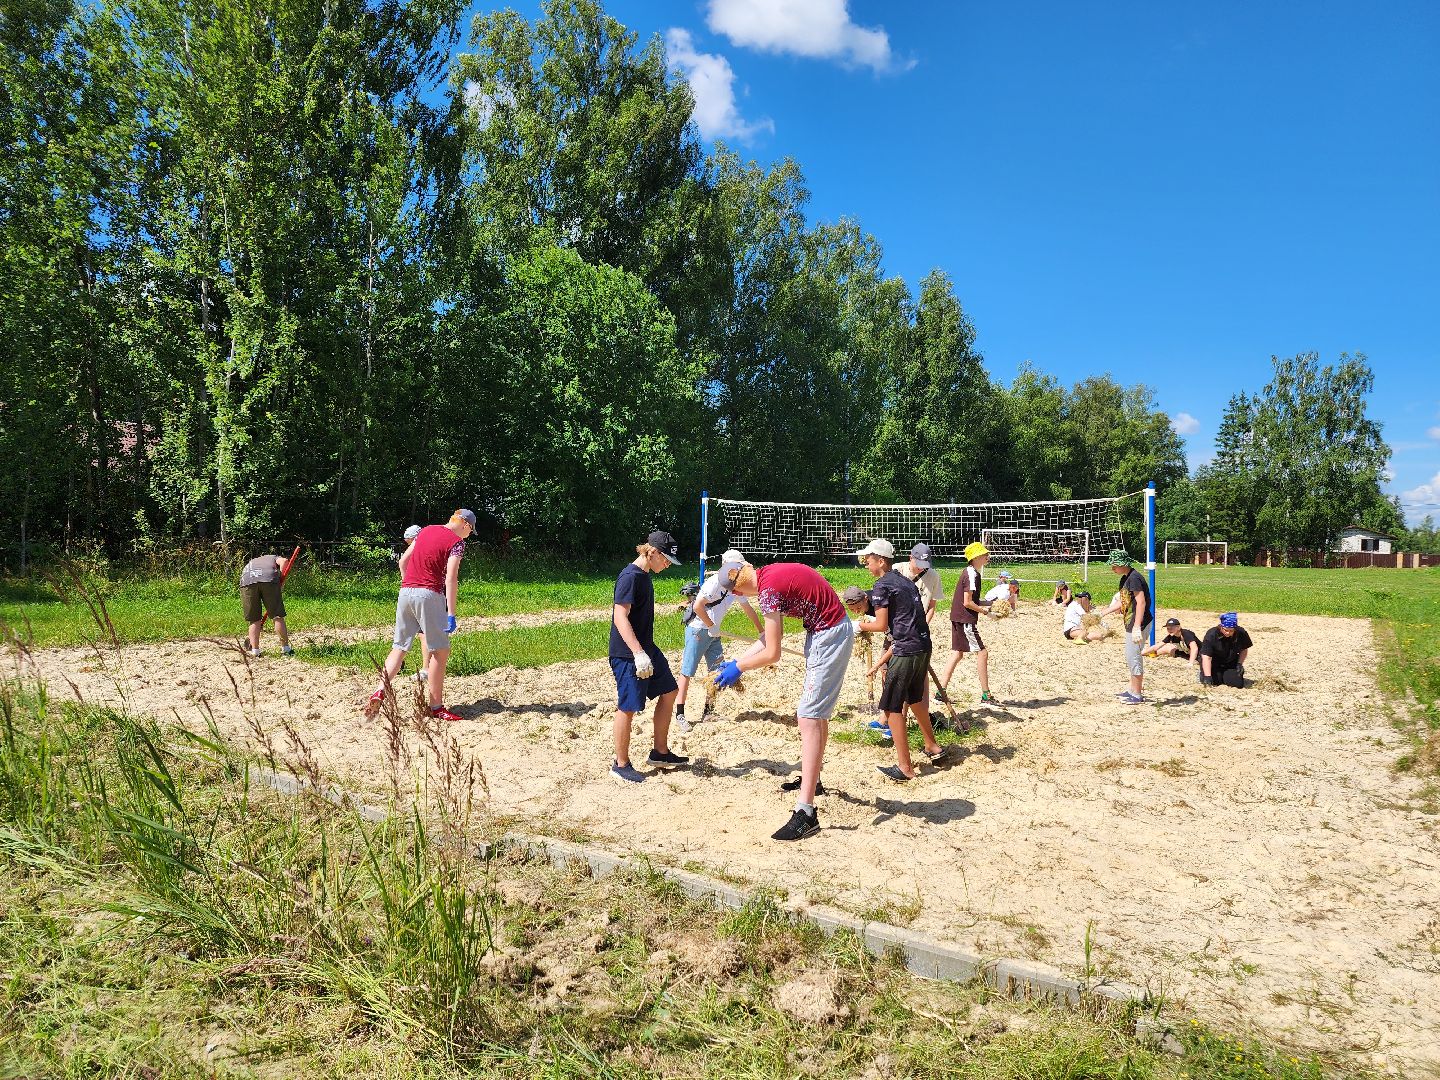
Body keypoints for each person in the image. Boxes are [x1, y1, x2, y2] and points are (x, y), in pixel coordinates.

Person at [713, 559, 854, 841]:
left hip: (829, 635)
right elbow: (767, 639)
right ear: (747, 566)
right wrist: (737, 661)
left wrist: (739, 668)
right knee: (816, 714)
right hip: (825, 631)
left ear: (738, 594)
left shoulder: (767, 592)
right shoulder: (769, 575)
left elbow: (773, 653)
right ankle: (813, 783)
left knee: (809, 716)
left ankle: (806, 813)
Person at [364, 510, 475, 722]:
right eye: (470, 531)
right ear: (465, 525)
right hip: (430, 594)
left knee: (399, 647)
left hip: (406, 592)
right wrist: (451, 613)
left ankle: (379, 690)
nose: (468, 535)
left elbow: (402, 562)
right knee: (440, 651)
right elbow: (451, 578)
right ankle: (436, 707)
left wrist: (411, 584)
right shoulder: (457, 542)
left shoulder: (425, 531)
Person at [856, 539, 948, 782]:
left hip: (905, 650)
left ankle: (905, 767)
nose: (866, 564)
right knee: (915, 699)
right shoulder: (905, 581)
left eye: (869, 560)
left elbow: (881, 625)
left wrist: (856, 626)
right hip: (923, 646)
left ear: (881, 561)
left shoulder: (881, 586)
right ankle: (933, 747)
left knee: (892, 706)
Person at [609, 530, 689, 783]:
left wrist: (646, 651)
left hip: (647, 649)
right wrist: (638, 653)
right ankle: (620, 765)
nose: (667, 565)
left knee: (669, 692)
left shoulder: (645, 576)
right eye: (665, 559)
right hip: (628, 654)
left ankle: (660, 753)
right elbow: (619, 616)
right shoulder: (630, 577)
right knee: (628, 706)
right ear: (651, 551)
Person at [673, 547, 763, 731]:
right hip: (698, 631)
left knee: (716, 672)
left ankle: (709, 711)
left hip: (715, 634)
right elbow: (698, 606)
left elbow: (747, 608)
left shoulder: (737, 586)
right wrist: (711, 625)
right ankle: (680, 714)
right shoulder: (714, 583)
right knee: (687, 671)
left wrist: (761, 631)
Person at [939, 541, 998, 704]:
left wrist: (990, 603)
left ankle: (940, 691)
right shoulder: (971, 574)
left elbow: (973, 600)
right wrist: (987, 612)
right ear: (976, 557)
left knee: (957, 653)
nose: (988, 556)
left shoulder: (971, 572)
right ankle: (986, 695)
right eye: (985, 554)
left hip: (958, 617)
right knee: (982, 653)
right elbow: (967, 602)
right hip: (965, 619)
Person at [1099, 549, 1152, 704]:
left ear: (1123, 564)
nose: (1112, 569)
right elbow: (1123, 602)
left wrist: (1136, 626)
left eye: (1114, 565)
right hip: (1132, 622)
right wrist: (1104, 612)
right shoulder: (1125, 578)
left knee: (1134, 656)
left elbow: (1141, 602)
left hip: (1139, 623)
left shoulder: (1134, 578)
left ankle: (1136, 694)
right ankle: (1132, 690)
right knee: (1130, 657)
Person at [239, 553, 294, 658]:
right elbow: (284, 562)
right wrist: (281, 579)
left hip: (247, 581)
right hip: (268, 579)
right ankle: (286, 649)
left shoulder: (253, 560)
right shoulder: (273, 557)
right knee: (277, 616)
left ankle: (255, 650)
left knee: (254, 619)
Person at [1200, 612, 1253, 687]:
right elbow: (1206, 656)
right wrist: (1207, 676)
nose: (1228, 633)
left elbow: (1244, 649)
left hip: (1230, 661)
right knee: (1214, 681)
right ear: (1221, 626)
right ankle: (1204, 673)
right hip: (1213, 662)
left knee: (1237, 684)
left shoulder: (1241, 632)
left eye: (1231, 631)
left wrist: (1239, 663)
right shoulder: (1212, 634)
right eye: (1225, 630)